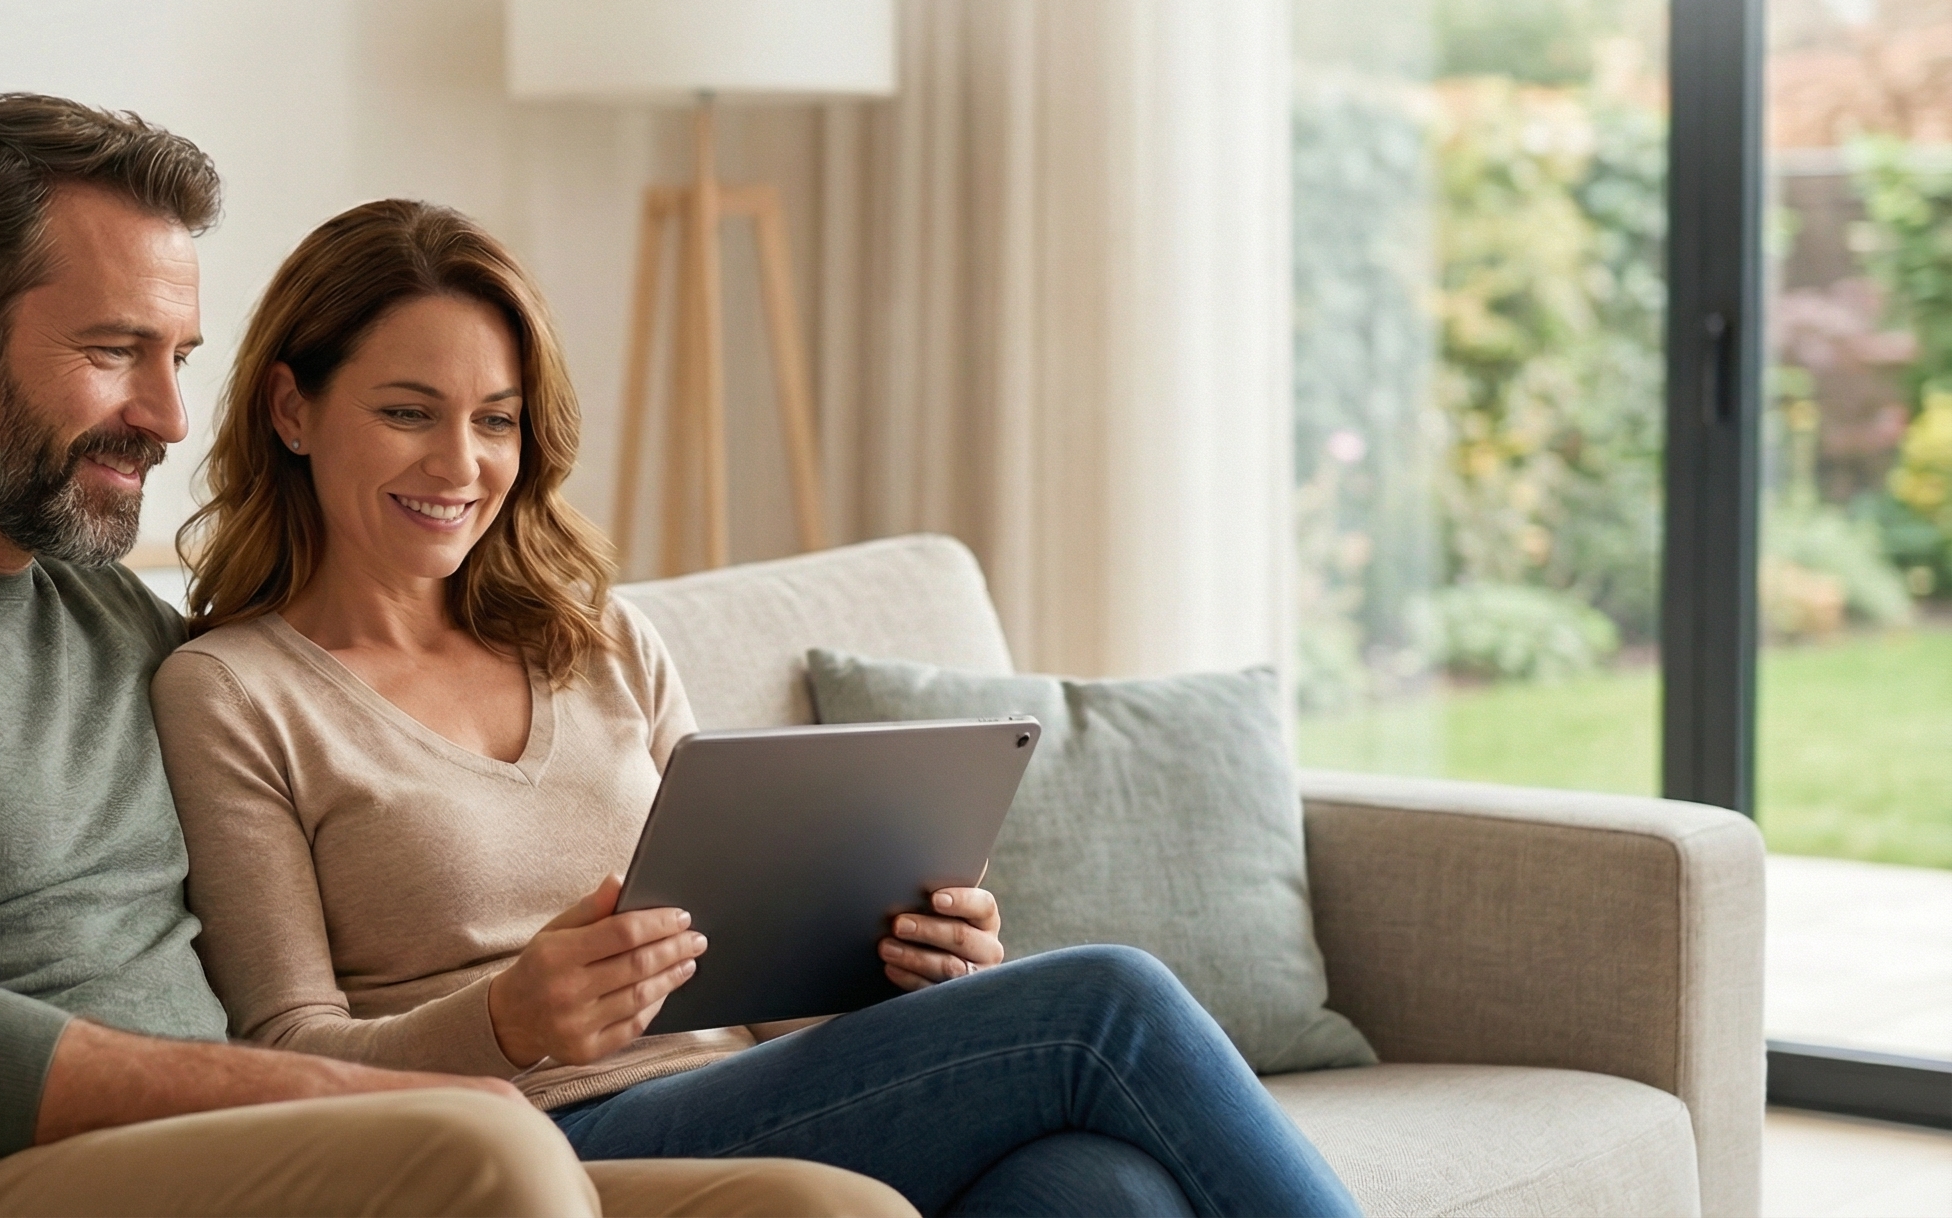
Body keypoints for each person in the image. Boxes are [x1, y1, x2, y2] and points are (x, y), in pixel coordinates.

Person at [0, 94, 904, 1218]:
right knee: (488, 1151)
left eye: (178, 358)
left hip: (207, 1163)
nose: (162, 415)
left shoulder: (111, 621)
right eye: (110, 353)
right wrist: (352, 1094)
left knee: (820, 1205)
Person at [150, 200, 1362, 1218]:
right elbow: (281, 1058)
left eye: (496, 420)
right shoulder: (235, 694)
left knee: (1097, 1190)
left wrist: (901, 969)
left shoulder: (596, 637)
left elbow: (748, 961)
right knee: (1107, 1003)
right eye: (407, 411)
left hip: (746, 1092)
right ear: (292, 410)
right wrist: (507, 1020)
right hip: (525, 1152)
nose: (459, 465)